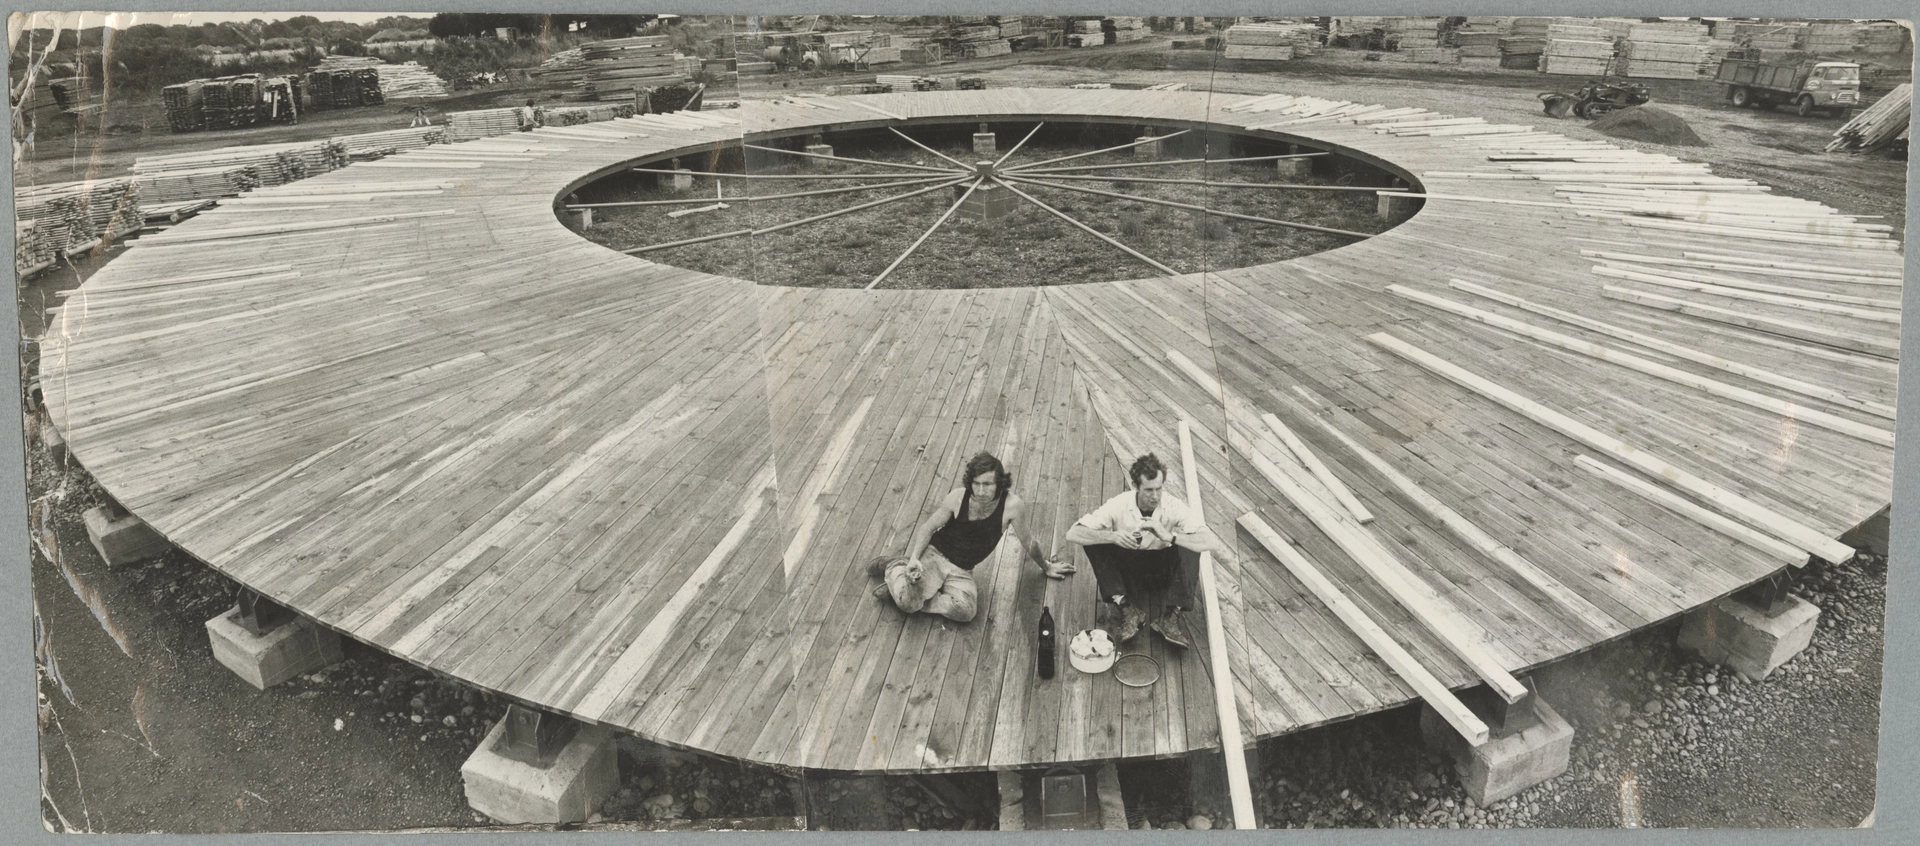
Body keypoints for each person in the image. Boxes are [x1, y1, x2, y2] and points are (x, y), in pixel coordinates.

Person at [869, 452, 1075, 622]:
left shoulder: (1012, 506)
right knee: (907, 605)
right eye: (976, 484)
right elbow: (928, 528)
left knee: (966, 612)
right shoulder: (958, 497)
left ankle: (908, 589)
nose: (980, 490)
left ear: (1000, 484)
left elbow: (1029, 542)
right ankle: (896, 568)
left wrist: (1046, 567)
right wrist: (915, 557)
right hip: (935, 556)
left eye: (987, 484)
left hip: (962, 570)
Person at [1065, 453, 1235, 648]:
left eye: (1159, 488)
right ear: (1136, 486)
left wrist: (1169, 536)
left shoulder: (1173, 506)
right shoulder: (1119, 503)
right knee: (1094, 540)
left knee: (1190, 543)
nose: (1155, 496)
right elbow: (1073, 533)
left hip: (1162, 572)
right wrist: (1112, 536)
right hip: (1128, 571)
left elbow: (1212, 542)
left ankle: (1169, 618)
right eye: (1148, 490)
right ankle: (1127, 608)